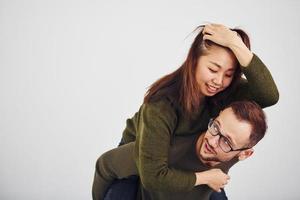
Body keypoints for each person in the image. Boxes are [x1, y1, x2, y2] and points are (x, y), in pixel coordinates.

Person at [92, 23, 279, 199]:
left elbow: (269, 95)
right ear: (194, 60)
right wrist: (205, 178)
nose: (219, 81)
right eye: (213, 69)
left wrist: (235, 43)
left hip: (191, 160)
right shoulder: (161, 105)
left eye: (229, 74)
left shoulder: (227, 95)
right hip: (143, 157)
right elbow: (152, 176)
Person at [94, 101, 267, 200]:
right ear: (218, 116)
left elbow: (269, 95)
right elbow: (105, 164)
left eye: (226, 141)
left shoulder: (237, 148)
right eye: (215, 127)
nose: (212, 141)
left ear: (244, 154)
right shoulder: (168, 148)